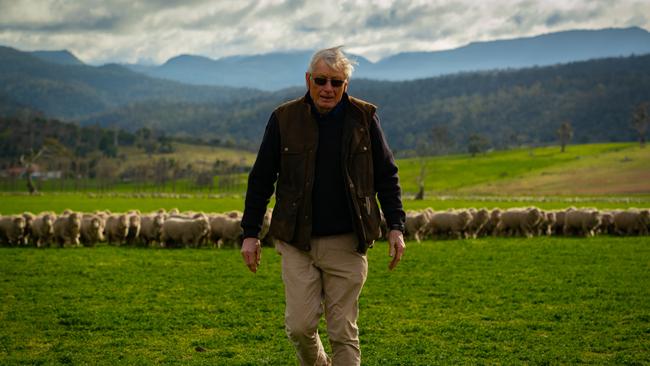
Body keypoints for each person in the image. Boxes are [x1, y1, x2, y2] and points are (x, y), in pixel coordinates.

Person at [240, 46, 406, 366]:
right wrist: (250, 233)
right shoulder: (283, 119)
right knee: (300, 328)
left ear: (346, 86)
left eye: (336, 82)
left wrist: (396, 226)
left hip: (347, 241)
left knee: (343, 331)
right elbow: (261, 179)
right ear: (308, 80)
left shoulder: (364, 119)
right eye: (321, 80)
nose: (328, 88)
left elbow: (387, 174)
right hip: (296, 241)